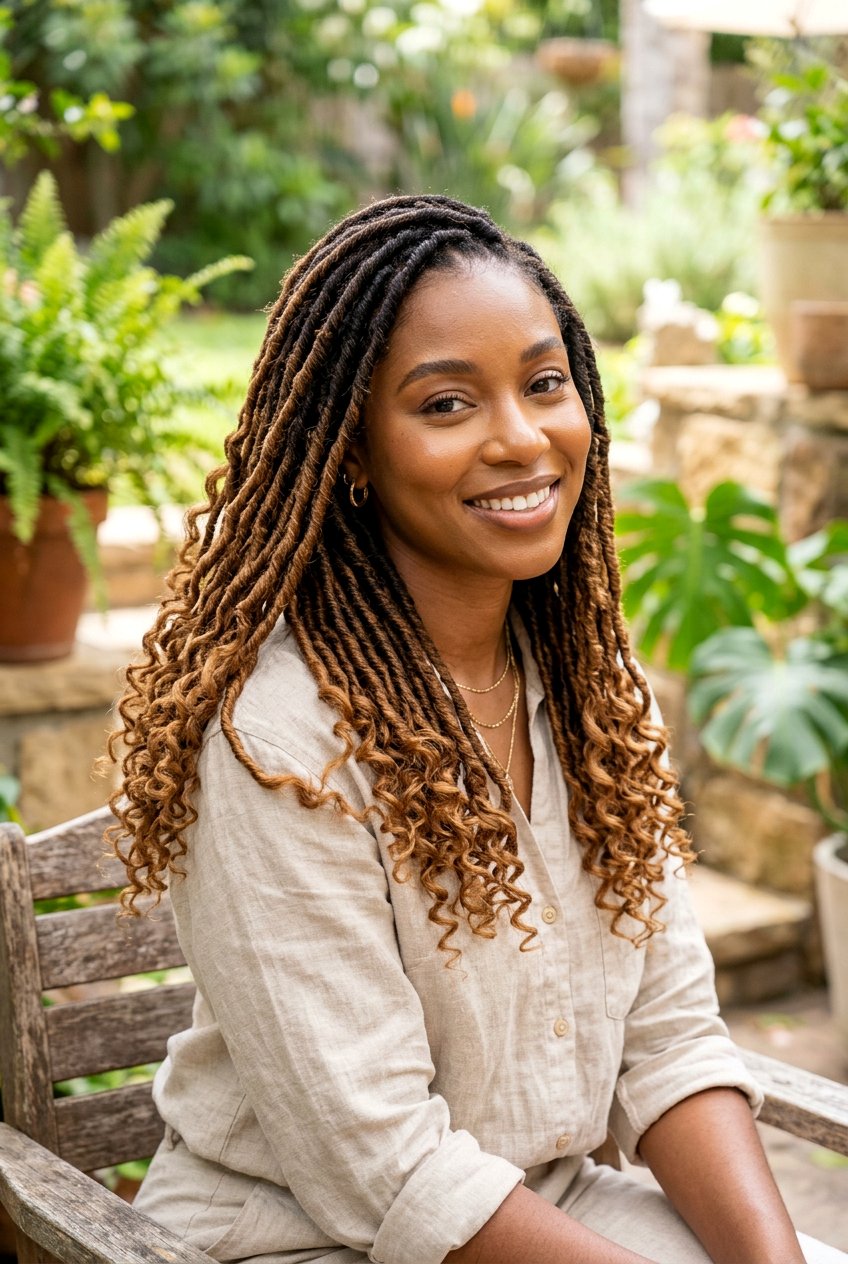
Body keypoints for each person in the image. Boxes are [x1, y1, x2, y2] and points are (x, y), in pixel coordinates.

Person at [110, 194, 842, 1264]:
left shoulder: (588, 692)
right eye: (446, 404)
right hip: (295, 1236)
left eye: (543, 384)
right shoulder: (275, 739)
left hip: (542, 1203)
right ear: (350, 451)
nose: (519, 437)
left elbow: (668, 1040)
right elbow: (388, 1167)